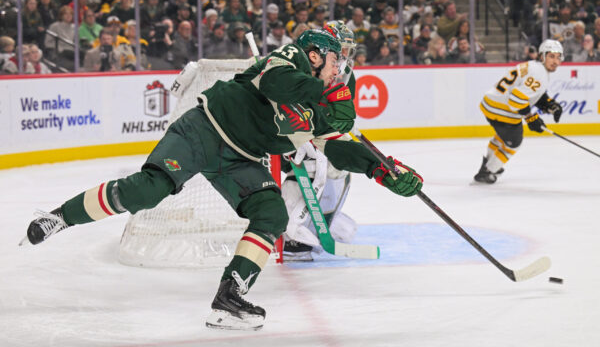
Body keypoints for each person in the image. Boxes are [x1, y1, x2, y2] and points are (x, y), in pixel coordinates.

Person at [22, 28, 423, 331]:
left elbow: (336, 147)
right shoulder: (292, 58)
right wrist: (319, 92)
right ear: (315, 55)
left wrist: (381, 168)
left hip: (242, 159)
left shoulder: (323, 100)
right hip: (205, 129)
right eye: (335, 60)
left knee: (272, 215)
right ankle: (60, 216)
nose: (340, 68)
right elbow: (275, 84)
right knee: (148, 190)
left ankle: (229, 297)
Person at [281, 21, 361, 261]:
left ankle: (320, 223)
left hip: (318, 132)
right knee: (310, 168)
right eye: (341, 48)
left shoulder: (346, 72)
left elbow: (342, 108)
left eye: (347, 49)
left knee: (341, 168)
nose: (344, 54)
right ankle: (290, 235)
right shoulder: (301, 66)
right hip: (292, 132)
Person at [474, 40, 564, 184]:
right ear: (542, 56)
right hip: (502, 110)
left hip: (490, 103)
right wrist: (531, 118)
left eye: (558, 57)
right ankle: (488, 171)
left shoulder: (534, 66)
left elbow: (531, 93)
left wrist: (549, 104)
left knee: (503, 137)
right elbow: (516, 99)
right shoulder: (540, 73)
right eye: (551, 56)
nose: (556, 61)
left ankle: (488, 164)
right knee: (515, 142)